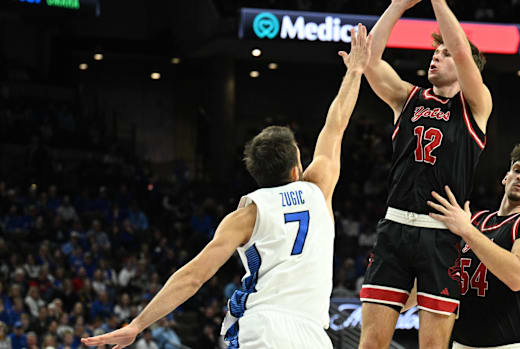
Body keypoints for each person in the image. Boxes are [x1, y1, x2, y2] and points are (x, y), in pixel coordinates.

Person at [80, 24, 373, 349]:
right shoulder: (319, 187)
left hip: (262, 330)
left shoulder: (247, 215)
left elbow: (193, 277)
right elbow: (337, 123)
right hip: (313, 337)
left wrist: (137, 324)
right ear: (297, 167)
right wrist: (356, 70)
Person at [359, 0, 493, 349]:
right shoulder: (408, 98)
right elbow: (370, 61)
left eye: (445, 53)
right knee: (371, 343)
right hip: (396, 227)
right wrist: (398, 3)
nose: (437, 55)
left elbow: (464, 51)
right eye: (434, 52)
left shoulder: (476, 106)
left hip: (442, 235)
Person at [405, 143, 520, 349]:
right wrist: (395, 296)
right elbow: (437, 276)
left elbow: (517, 276)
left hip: (510, 345)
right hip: (462, 344)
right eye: (517, 170)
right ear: (506, 178)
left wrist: (466, 231)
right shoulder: (475, 221)